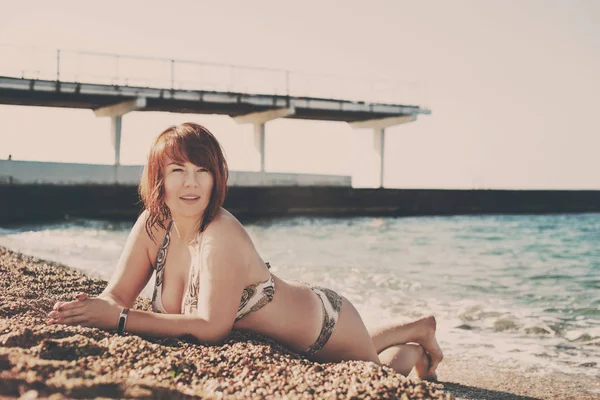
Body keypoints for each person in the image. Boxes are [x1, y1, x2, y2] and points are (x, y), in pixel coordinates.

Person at [46, 122, 443, 380]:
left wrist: (117, 321)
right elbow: (117, 296)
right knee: (364, 352)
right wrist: (91, 309)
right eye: (177, 170)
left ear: (217, 177)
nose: (191, 184)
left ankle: (416, 351)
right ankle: (415, 327)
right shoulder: (154, 225)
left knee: (384, 374)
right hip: (296, 311)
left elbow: (211, 327)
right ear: (158, 178)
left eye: (203, 171)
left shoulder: (221, 234)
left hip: (324, 327)